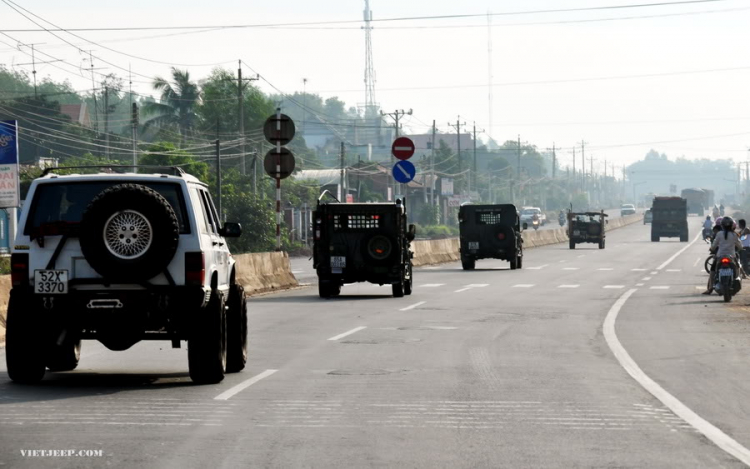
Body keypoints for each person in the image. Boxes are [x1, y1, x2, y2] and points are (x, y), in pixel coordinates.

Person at [704, 216, 742, 295]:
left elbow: (714, 245)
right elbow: (740, 246)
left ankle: (710, 288)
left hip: (720, 256)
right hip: (731, 256)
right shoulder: (734, 235)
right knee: (737, 268)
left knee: (712, 271)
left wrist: (711, 248)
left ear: (722, 225)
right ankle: (737, 281)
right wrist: (740, 248)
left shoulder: (719, 234)